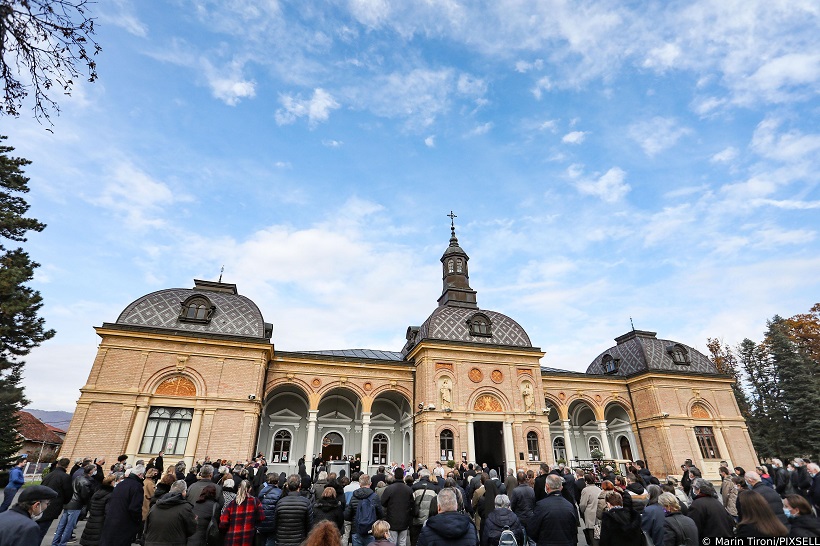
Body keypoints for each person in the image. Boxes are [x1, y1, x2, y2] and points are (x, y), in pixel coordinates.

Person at [100, 463, 146, 546]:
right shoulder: (137, 486)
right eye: (143, 476)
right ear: (140, 475)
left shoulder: (121, 484)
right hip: (125, 522)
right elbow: (135, 508)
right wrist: (138, 521)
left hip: (112, 519)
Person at [526, 474, 578, 546]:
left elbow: (532, 530)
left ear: (547, 486)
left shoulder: (541, 505)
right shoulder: (569, 505)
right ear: (561, 487)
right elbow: (573, 530)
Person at [53, 463, 96, 546]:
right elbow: (85, 495)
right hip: (76, 504)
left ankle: (55, 543)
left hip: (69, 502)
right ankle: (62, 543)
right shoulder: (86, 481)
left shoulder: (78, 477)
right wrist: (87, 504)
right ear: (90, 471)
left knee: (62, 525)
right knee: (69, 526)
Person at [144, 480, 197, 546]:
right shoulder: (185, 508)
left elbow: (146, 528)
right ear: (184, 492)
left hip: (151, 542)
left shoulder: (154, 507)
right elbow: (191, 530)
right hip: (174, 542)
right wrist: (194, 520)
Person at [219, 480, 265, 546]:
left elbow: (223, 522)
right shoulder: (255, 502)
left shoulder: (232, 503)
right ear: (250, 489)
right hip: (249, 537)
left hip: (232, 537)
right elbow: (261, 517)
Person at [345, 473, 385, 546]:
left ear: (360, 484)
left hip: (356, 529)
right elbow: (381, 514)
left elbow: (347, 515)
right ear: (370, 483)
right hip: (371, 530)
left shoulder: (354, 496)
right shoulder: (375, 497)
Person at [38, 457, 73, 541]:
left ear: (58, 464)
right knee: (41, 531)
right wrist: (63, 502)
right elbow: (68, 493)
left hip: (40, 504)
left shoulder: (49, 475)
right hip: (53, 505)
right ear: (67, 466)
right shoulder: (65, 477)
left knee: (36, 529)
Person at [80, 473, 120, 546]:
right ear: (112, 482)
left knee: (89, 541)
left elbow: (91, 504)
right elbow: (108, 511)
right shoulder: (110, 495)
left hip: (92, 519)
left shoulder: (97, 492)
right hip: (101, 522)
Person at [275, 474, 314, 546]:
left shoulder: (280, 503)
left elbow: (276, 523)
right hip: (299, 541)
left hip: (282, 540)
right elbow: (310, 525)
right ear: (300, 485)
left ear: (287, 486)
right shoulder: (306, 503)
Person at [381, 467, 413, 546]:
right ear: (403, 476)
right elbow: (412, 503)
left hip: (392, 519)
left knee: (392, 541)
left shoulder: (389, 489)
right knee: (402, 542)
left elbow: (383, 502)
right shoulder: (408, 489)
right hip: (405, 519)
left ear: (394, 476)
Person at [256, 474, 283, 546]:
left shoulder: (262, 490)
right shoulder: (279, 492)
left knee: (262, 539)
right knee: (271, 539)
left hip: (262, 519)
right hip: (272, 521)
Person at [579, 474, 601, 545]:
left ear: (586, 481)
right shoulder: (598, 489)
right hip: (598, 514)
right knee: (597, 536)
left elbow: (583, 504)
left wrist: (582, 512)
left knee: (591, 536)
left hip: (590, 515)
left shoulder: (586, 490)